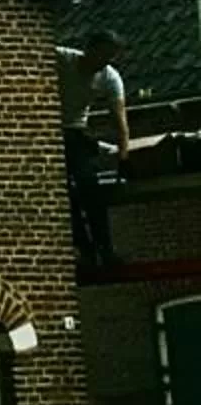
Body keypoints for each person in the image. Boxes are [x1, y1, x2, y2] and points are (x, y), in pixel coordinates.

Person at [61, 29, 131, 271]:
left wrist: (124, 157)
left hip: (76, 132)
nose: (102, 63)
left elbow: (120, 121)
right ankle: (84, 249)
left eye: (108, 58)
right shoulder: (62, 59)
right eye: (99, 56)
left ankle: (106, 250)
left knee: (90, 187)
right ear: (88, 49)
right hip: (50, 131)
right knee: (65, 194)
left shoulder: (110, 78)